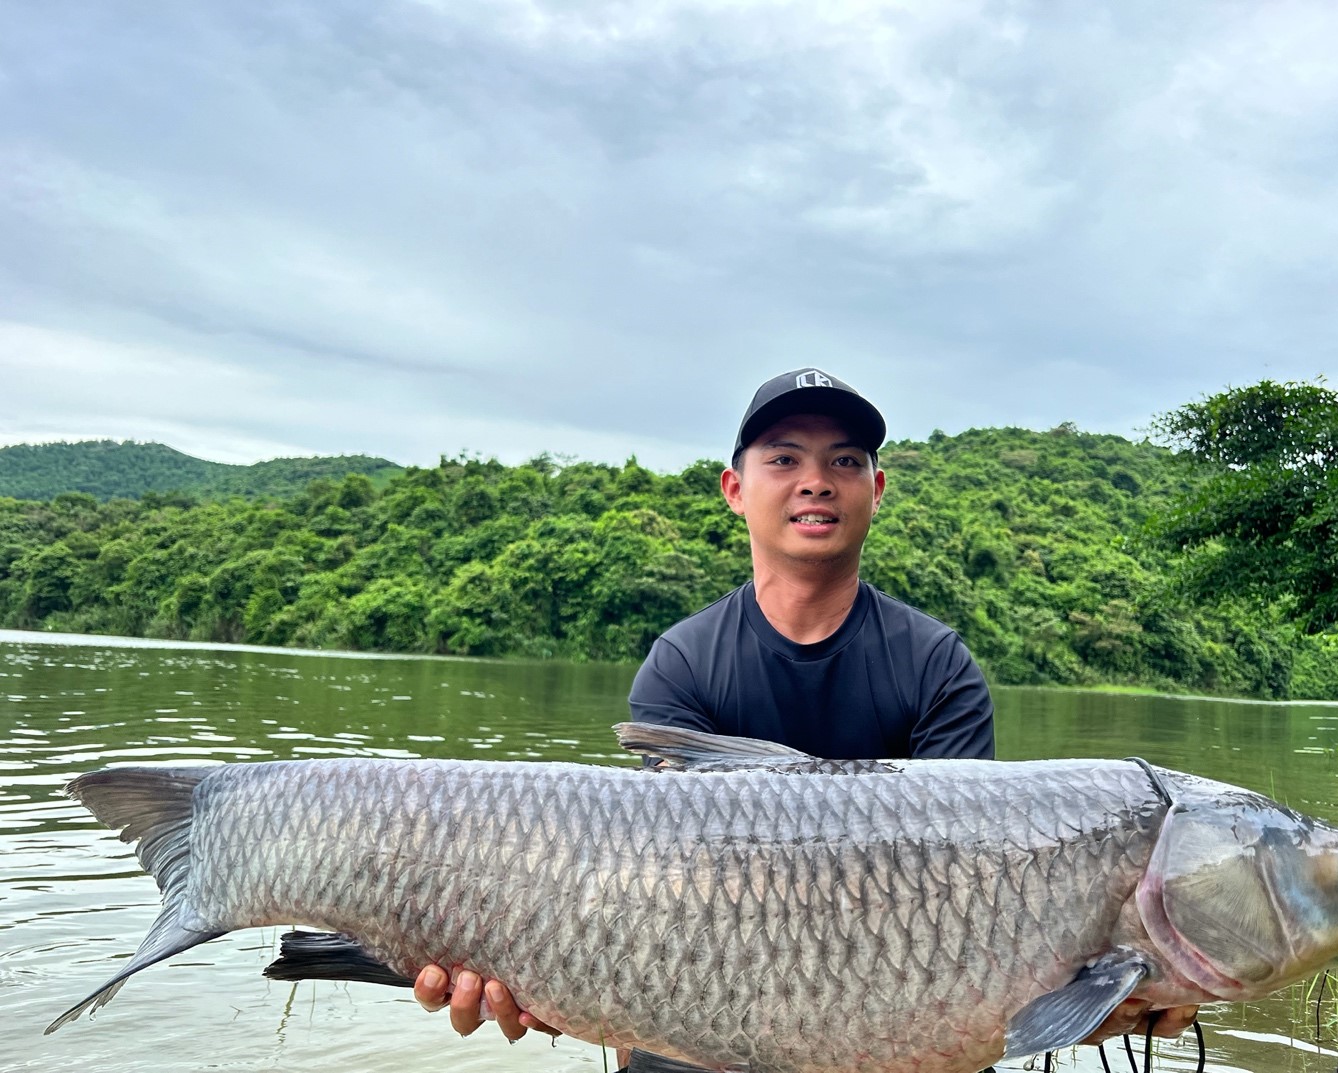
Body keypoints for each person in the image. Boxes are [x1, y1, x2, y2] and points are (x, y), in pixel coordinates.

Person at [413, 369, 1198, 1066]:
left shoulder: (937, 664)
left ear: (876, 489)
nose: (816, 481)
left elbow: (971, 883)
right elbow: (661, 879)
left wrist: (1104, 986)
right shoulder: (682, 660)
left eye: (844, 462)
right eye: (784, 459)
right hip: (697, 1012)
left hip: (900, 1014)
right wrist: (546, 975)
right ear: (734, 488)